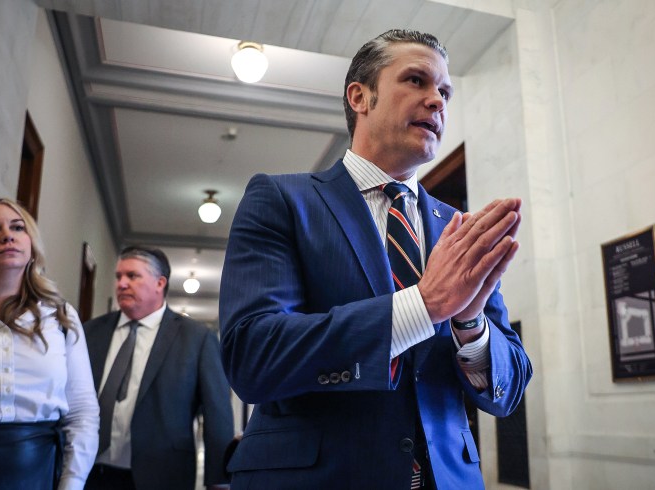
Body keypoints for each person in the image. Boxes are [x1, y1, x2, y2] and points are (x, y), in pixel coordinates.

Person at [219, 29, 533, 489]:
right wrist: (422, 307)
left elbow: (508, 391)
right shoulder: (282, 199)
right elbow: (253, 356)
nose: (437, 101)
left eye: (445, 91)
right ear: (360, 96)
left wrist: (470, 324)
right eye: (416, 81)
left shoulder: (459, 230)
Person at [0, 197, 99, 490]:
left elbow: (82, 412)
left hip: (37, 471)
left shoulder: (61, 317)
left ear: (31, 244)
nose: (8, 235)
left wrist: (73, 481)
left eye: (18, 227)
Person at [83, 245, 234, 490]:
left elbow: (217, 412)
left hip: (163, 474)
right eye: (119, 276)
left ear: (160, 283)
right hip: (92, 472)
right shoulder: (91, 332)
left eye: (132, 276)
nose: (121, 284)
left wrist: (219, 480)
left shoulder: (196, 338)